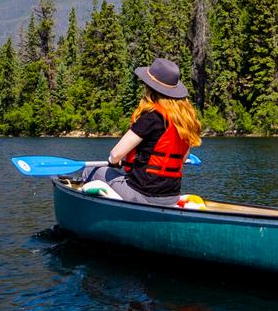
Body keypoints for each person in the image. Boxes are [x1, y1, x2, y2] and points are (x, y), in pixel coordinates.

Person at [79, 58, 202, 204]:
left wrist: (114, 162)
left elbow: (115, 154)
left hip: (143, 195)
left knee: (91, 171)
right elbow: (181, 159)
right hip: (171, 197)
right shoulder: (185, 121)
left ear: (150, 88)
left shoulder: (151, 117)